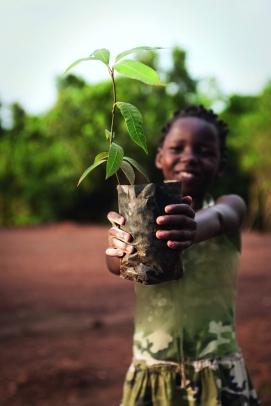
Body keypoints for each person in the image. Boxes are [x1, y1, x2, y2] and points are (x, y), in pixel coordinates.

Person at [106, 105, 260, 406]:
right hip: (151, 372)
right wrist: (118, 243)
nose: (189, 156)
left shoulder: (229, 207)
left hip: (218, 375)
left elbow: (220, 217)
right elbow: (113, 263)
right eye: (178, 148)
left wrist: (191, 228)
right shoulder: (140, 221)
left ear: (221, 165)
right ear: (160, 157)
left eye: (203, 150)